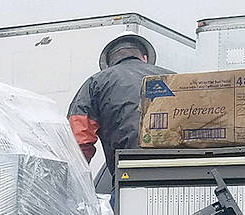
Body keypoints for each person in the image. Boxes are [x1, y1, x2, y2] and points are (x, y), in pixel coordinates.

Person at [67, 34, 171, 176]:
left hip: (129, 175)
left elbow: (79, 141)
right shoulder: (174, 79)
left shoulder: (96, 83)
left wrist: (74, 179)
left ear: (110, 65)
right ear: (145, 58)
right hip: (185, 174)